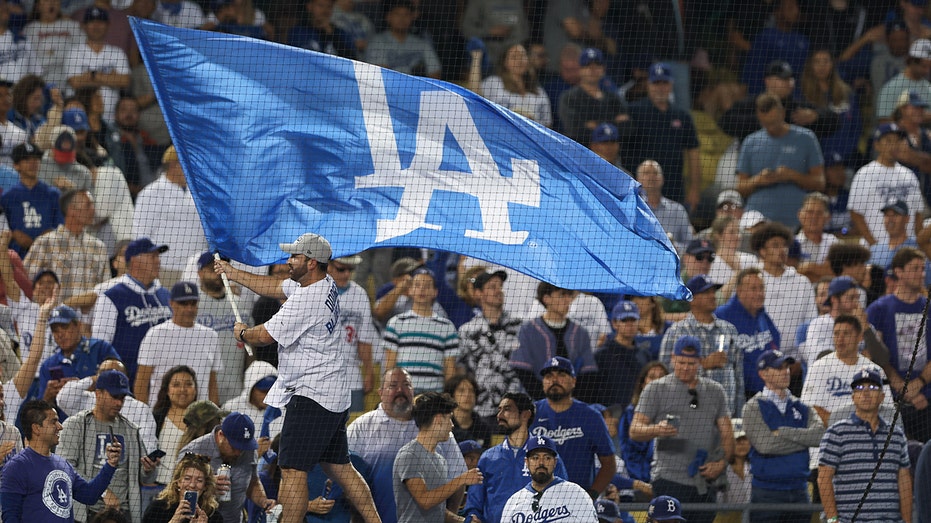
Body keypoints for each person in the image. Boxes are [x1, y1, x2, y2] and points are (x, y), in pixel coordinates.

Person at [215, 232, 380, 523]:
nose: (289, 261)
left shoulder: (307, 300)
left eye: (295, 257)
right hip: (331, 393)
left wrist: (242, 333)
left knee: (292, 470)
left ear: (312, 262)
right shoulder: (322, 283)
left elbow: (263, 335)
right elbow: (276, 287)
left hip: (312, 395)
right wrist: (233, 273)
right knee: (338, 466)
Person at [629, 337, 735, 523]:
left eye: (691, 363)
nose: (685, 367)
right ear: (672, 358)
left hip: (705, 481)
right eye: (681, 362)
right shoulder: (656, 389)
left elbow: (727, 433)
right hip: (669, 480)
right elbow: (635, 430)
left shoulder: (715, 390)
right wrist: (657, 429)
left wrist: (722, 463)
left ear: (700, 361)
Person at [348, 368, 467, 523]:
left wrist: (447, 516)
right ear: (380, 392)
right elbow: (344, 477)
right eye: (393, 385)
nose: (400, 390)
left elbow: (457, 475)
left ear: (413, 391)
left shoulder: (436, 426)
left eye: (406, 385)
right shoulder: (361, 427)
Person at [58, 369, 157, 522]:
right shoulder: (75, 425)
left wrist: (148, 469)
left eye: (122, 398)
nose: (119, 403)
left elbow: (146, 478)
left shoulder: (131, 430)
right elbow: (65, 468)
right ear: (98, 393)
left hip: (123, 514)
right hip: (86, 513)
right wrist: (102, 492)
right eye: (114, 397)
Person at [0, 399, 122, 523]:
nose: (60, 426)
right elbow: (10, 517)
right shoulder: (16, 467)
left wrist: (110, 465)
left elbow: (89, 495)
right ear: (36, 428)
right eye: (54, 422)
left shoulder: (63, 464)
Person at [818, 368, 913, 523]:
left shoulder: (896, 435)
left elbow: (904, 481)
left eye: (873, 387)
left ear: (882, 397)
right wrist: (832, 520)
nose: (866, 393)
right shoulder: (836, 433)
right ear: (853, 397)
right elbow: (823, 479)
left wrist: (907, 521)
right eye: (860, 388)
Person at [742, 350, 824, 523]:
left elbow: (818, 436)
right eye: (779, 367)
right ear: (763, 374)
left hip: (800, 491)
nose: (785, 371)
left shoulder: (802, 406)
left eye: (787, 367)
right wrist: (803, 440)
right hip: (767, 494)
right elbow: (766, 445)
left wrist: (784, 432)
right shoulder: (752, 407)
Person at [463, 392, 569, 523]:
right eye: (499, 410)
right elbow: (473, 505)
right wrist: (472, 517)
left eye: (507, 409)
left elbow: (563, 498)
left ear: (525, 414)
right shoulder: (487, 458)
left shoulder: (547, 457)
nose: (499, 415)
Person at [866, 247, 931, 441]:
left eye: (922, 268)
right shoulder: (879, 309)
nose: (920, 273)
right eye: (914, 268)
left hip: (926, 399)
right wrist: (900, 387)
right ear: (898, 272)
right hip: (890, 401)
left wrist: (919, 385)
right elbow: (874, 355)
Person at [736, 92, 825, 229]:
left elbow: (820, 183)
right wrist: (758, 180)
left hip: (797, 219)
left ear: (782, 113)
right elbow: (740, 188)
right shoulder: (750, 142)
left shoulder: (806, 138)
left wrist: (792, 175)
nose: (770, 128)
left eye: (773, 122)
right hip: (757, 222)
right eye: (765, 123)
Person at [529, 356, 616, 495]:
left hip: (577, 500)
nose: (554, 380)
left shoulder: (591, 416)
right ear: (543, 382)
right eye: (549, 376)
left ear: (573, 381)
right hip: (537, 499)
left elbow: (609, 464)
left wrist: (591, 496)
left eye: (561, 375)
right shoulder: (529, 414)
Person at [91, 237, 172, 385]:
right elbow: (100, 346)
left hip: (167, 383)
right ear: (134, 261)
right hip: (128, 384)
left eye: (158, 257)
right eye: (152, 256)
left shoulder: (165, 295)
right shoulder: (111, 297)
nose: (158, 261)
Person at [393, 392, 483, 523]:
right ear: (439, 420)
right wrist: (462, 479)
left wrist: (462, 521)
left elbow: (437, 510)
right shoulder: (409, 455)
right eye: (449, 419)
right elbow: (425, 501)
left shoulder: (440, 460)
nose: (452, 425)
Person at [660, 275, 743, 416]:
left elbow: (738, 376)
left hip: (726, 413)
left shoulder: (729, 330)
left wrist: (739, 413)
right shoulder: (677, 331)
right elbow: (666, 372)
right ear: (691, 299)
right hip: (690, 412)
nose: (712, 296)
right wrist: (703, 364)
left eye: (713, 291)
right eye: (706, 293)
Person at [626, 64, 701, 208]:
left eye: (664, 83)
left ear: (671, 85)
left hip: (674, 187)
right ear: (648, 85)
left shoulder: (682, 116)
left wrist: (694, 189)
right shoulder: (634, 112)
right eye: (656, 83)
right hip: (640, 189)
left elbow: (693, 154)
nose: (660, 88)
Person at [178, 412, 275, 523]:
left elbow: (253, 482)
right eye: (235, 446)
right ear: (221, 435)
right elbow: (175, 487)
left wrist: (263, 501)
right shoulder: (193, 450)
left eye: (243, 447)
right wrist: (207, 483)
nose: (239, 452)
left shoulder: (248, 450)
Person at [132, 147, 208, 287]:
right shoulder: (150, 194)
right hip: (167, 272)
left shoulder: (199, 193)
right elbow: (141, 236)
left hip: (198, 271)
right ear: (174, 164)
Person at [135, 282, 220, 405]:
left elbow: (212, 384)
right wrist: (143, 415)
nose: (189, 309)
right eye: (183, 304)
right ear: (171, 303)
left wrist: (214, 418)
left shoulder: (211, 336)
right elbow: (141, 382)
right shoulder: (155, 335)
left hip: (199, 416)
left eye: (193, 303)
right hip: (162, 415)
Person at [456, 269, 523, 421]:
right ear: (478, 293)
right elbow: (461, 371)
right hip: (482, 410)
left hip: (516, 407)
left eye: (500, 286)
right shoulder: (467, 331)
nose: (498, 291)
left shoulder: (520, 326)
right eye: (492, 287)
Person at [510, 282, 596, 400]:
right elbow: (523, 371)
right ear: (546, 299)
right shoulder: (527, 330)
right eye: (562, 295)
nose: (568, 300)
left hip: (571, 403)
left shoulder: (581, 333)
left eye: (569, 295)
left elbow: (588, 372)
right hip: (536, 403)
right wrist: (547, 401)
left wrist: (570, 401)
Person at [383, 267, 459, 393]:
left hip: (434, 396)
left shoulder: (447, 327)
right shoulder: (396, 323)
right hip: (404, 394)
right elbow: (390, 365)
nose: (422, 289)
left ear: (435, 292)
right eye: (417, 285)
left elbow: (450, 369)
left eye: (427, 285)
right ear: (410, 290)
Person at [24, 189, 108, 301]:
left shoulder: (99, 247)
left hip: (91, 317)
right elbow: (26, 280)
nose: (93, 210)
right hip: (55, 316)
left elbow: (106, 289)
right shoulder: (45, 243)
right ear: (71, 210)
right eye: (88, 205)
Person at [848, 123, 923, 247]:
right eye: (888, 141)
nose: (893, 146)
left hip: (907, 251)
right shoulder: (864, 174)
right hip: (877, 249)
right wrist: (875, 246)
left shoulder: (909, 175)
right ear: (877, 145)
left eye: (897, 141)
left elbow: (918, 215)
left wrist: (918, 246)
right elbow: (856, 214)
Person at [714, 268, 781, 399]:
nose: (759, 293)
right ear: (739, 291)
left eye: (761, 288)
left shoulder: (762, 316)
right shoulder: (723, 316)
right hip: (738, 394)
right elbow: (720, 359)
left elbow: (775, 346)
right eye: (753, 289)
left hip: (767, 393)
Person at [498, 434, 598, 522]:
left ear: (555, 462)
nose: (541, 463)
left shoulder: (575, 494)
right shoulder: (514, 502)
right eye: (535, 458)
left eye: (547, 458)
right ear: (526, 462)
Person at [37, 304, 120, 401]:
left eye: (64, 327)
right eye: (55, 330)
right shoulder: (48, 366)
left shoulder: (100, 349)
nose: (60, 335)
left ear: (79, 326)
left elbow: (120, 378)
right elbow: (41, 409)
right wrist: (47, 397)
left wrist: (81, 386)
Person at [64, 7, 130, 124]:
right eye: (92, 22)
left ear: (108, 25)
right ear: (84, 26)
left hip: (111, 120)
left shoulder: (117, 52)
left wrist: (91, 75)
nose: (96, 26)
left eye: (100, 22)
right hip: (79, 118)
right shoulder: (73, 52)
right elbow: (75, 82)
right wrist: (109, 78)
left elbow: (125, 81)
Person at [327, 254, 376, 412]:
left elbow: (364, 339)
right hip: (321, 375)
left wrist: (368, 371)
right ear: (328, 266)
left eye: (351, 269)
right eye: (341, 269)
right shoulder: (316, 290)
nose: (346, 274)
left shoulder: (360, 295)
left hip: (351, 376)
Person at [558, 47, 630, 147]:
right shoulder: (569, 97)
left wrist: (593, 124)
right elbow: (574, 130)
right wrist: (613, 123)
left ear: (603, 69)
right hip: (580, 153)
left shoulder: (613, 97)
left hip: (611, 155)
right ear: (580, 69)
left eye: (597, 65)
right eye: (587, 66)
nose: (592, 70)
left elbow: (628, 128)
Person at [1, 142, 63, 257]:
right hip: (17, 258)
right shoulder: (7, 197)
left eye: (36, 158)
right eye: (26, 159)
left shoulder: (53, 194)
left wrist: (52, 232)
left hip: (50, 255)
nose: (32, 163)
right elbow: (3, 228)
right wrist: (13, 234)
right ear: (16, 165)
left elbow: (61, 226)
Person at [593, 300, 651, 407]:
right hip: (610, 417)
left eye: (633, 320)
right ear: (614, 323)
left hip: (637, 414)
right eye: (624, 320)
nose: (629, 324)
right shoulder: (601, 356)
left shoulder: (645, 355)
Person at [479, 43, 552, 127]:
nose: (519, 60)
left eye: (522, 56)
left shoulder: (539, 92)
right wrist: (476, 59)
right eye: (514, 57)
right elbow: (475, 96)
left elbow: (548, 124)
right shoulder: (494, 83)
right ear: (505, 62)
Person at [363, 0, 440, 78]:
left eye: (406, 14)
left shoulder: (422, 44)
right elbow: (379, 74)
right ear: (388, 17)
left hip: (417, 88)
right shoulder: (377, 42)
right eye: (397, 14)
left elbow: (435, 73)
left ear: (412, 17)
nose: (402, 18)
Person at [141, 451, 222, 523]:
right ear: (178, 482)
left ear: (205, 486)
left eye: (199, 480)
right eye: (187, 478)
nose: (192, 485)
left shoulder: (213, 516)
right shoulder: (158, 509)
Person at [636, 160, 696, 251]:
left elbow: (691, 245)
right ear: (638, 180)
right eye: (646, 173)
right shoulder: (634, 209)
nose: (651, 176)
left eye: (655, 173)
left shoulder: (677, 210)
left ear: (662, 179)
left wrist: (674, 246)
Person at [445, 375, 493, 448]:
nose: (467, 395)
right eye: (461, 391)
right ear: (452, 396)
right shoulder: (443, 425)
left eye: (471, 391)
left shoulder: (483, 428)